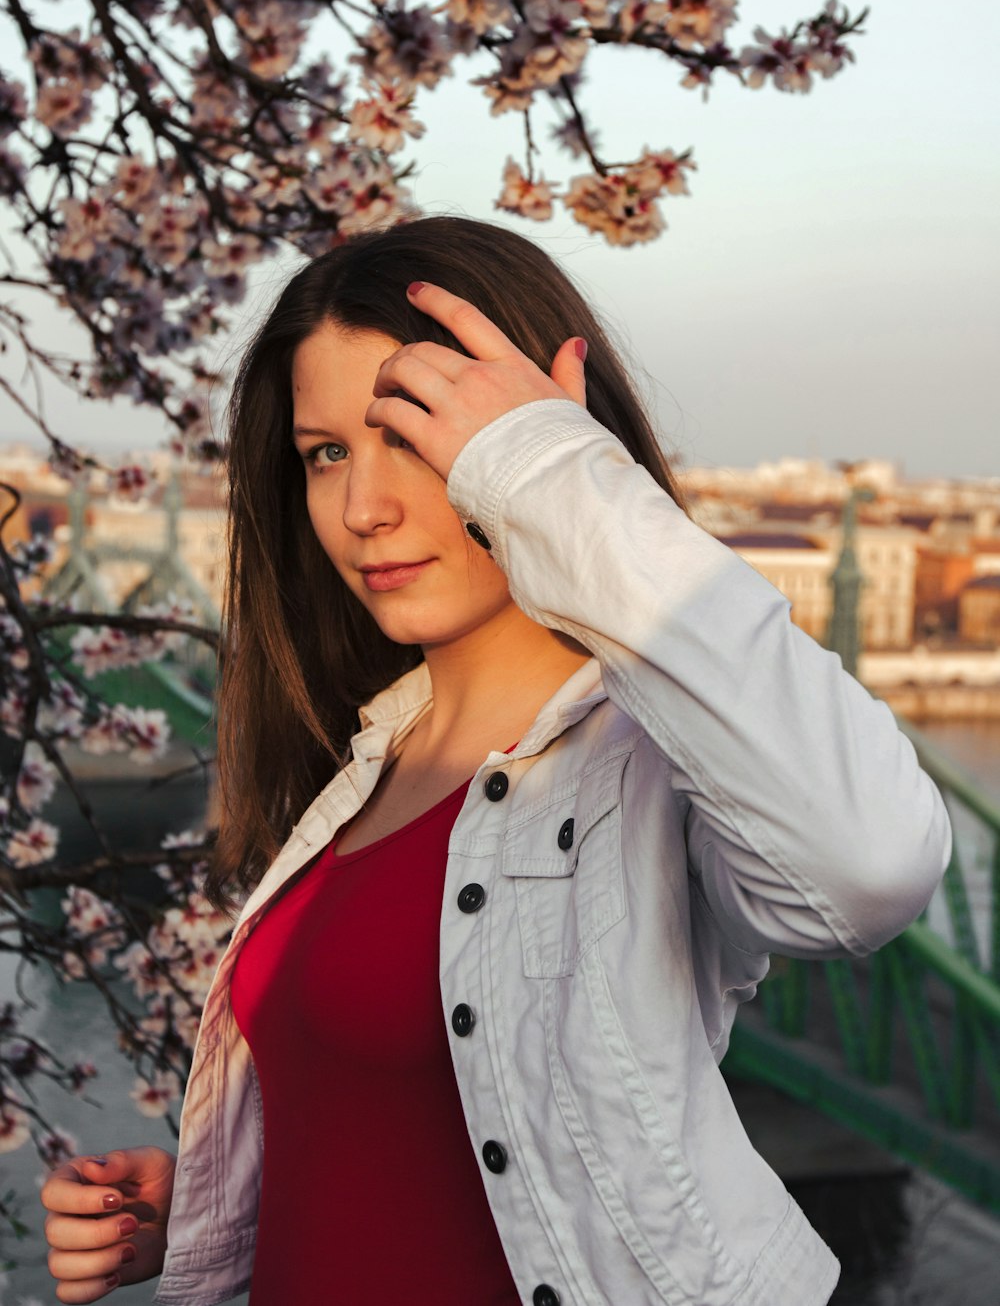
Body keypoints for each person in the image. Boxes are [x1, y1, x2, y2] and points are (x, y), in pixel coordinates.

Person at [41, 215, 951, 1306]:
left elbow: (871, 867)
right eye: (325, 453)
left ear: (539, 438)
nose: (362, 509)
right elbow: (429, 1135)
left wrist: (559, 483)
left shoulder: (650, 763)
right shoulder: (363, 760)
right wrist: (204, 1203)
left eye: (418, 435)